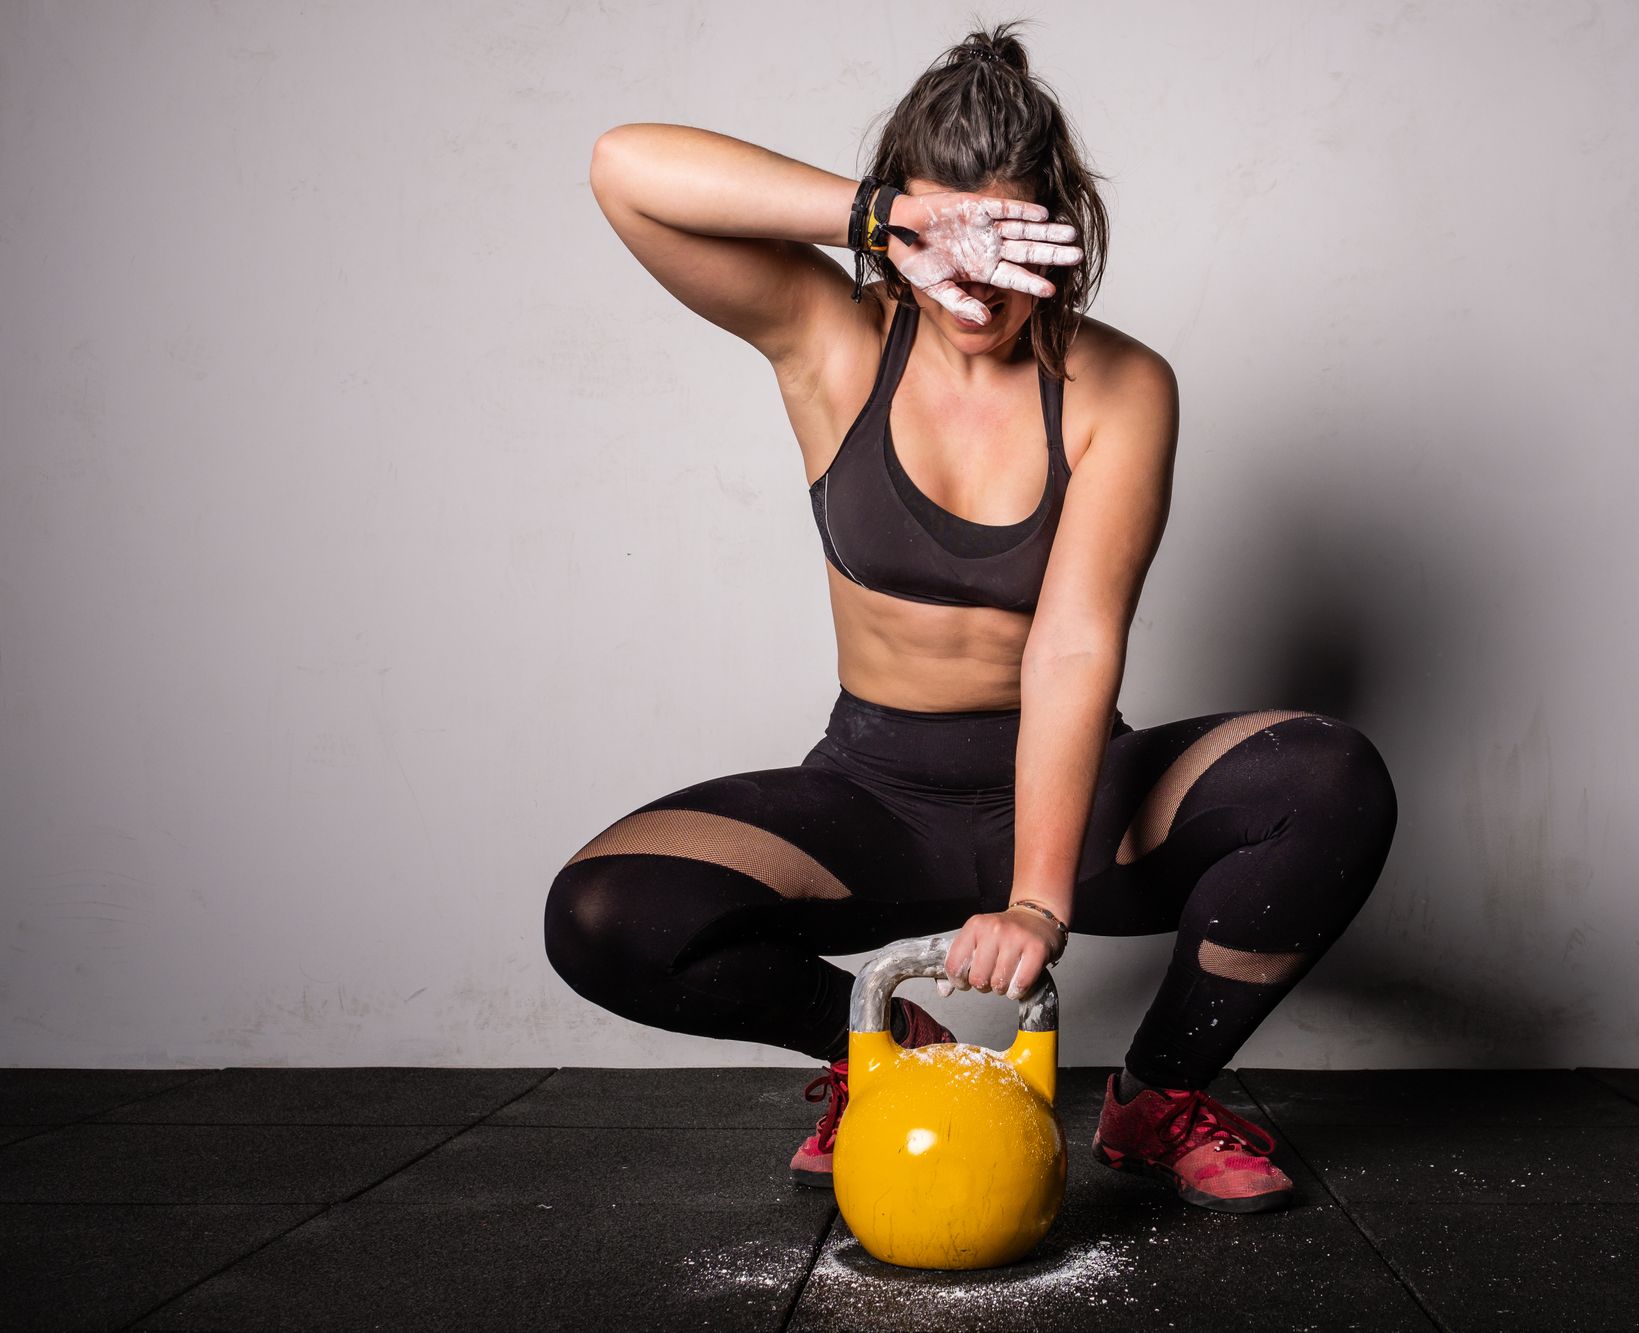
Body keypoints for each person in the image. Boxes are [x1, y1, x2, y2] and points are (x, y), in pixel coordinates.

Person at [543, 22, 1398, 1215]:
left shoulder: (1120, 385)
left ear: (1058, 227)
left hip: (1071, 795)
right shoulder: (831, 339)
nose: (975, 287)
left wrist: (1041, 899)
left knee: (1329, 780)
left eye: (1006, 243)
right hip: (876, 793)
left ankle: (1154, 1099)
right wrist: (877, 212)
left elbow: (1073, 641)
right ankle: (887, 1057)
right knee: (601, 910)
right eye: (952, 244)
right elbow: (622, 169)